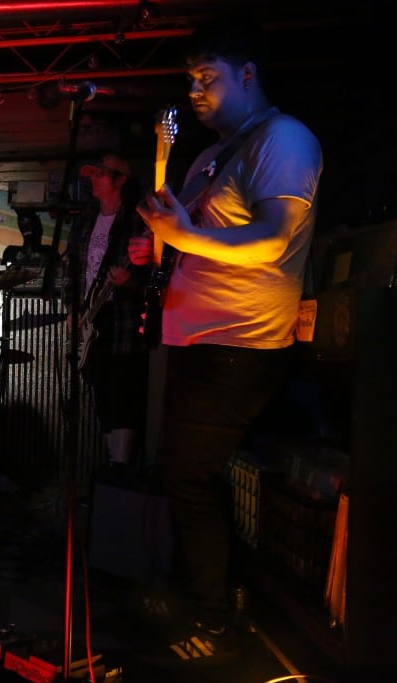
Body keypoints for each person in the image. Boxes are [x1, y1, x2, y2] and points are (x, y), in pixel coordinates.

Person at [128, 15, 322, 667]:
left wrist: (182, 238)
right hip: (200, 340)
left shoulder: (285, 138)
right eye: (189, 80)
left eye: (207, 77)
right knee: (188, 478)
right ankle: (209, 600)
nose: (195, 91)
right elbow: (183, 237)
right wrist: (161, 235)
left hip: (239, 343)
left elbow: (272, 239)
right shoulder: (213, 155)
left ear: (248, 74)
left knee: (191, 478)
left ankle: (215, 620)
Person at [63, 153, 150, 478]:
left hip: (122, 319)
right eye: (93, 174)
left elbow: (157, 274)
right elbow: (72, 270)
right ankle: (112, 464)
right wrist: (73, 308)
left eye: (101, 173)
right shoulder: (84, 222)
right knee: (101, 392)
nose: (94, 179)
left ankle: (121, 468)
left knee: (123, 390)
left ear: (120, 180)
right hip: (91, 318)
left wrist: (131, 282)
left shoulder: (136, 222)